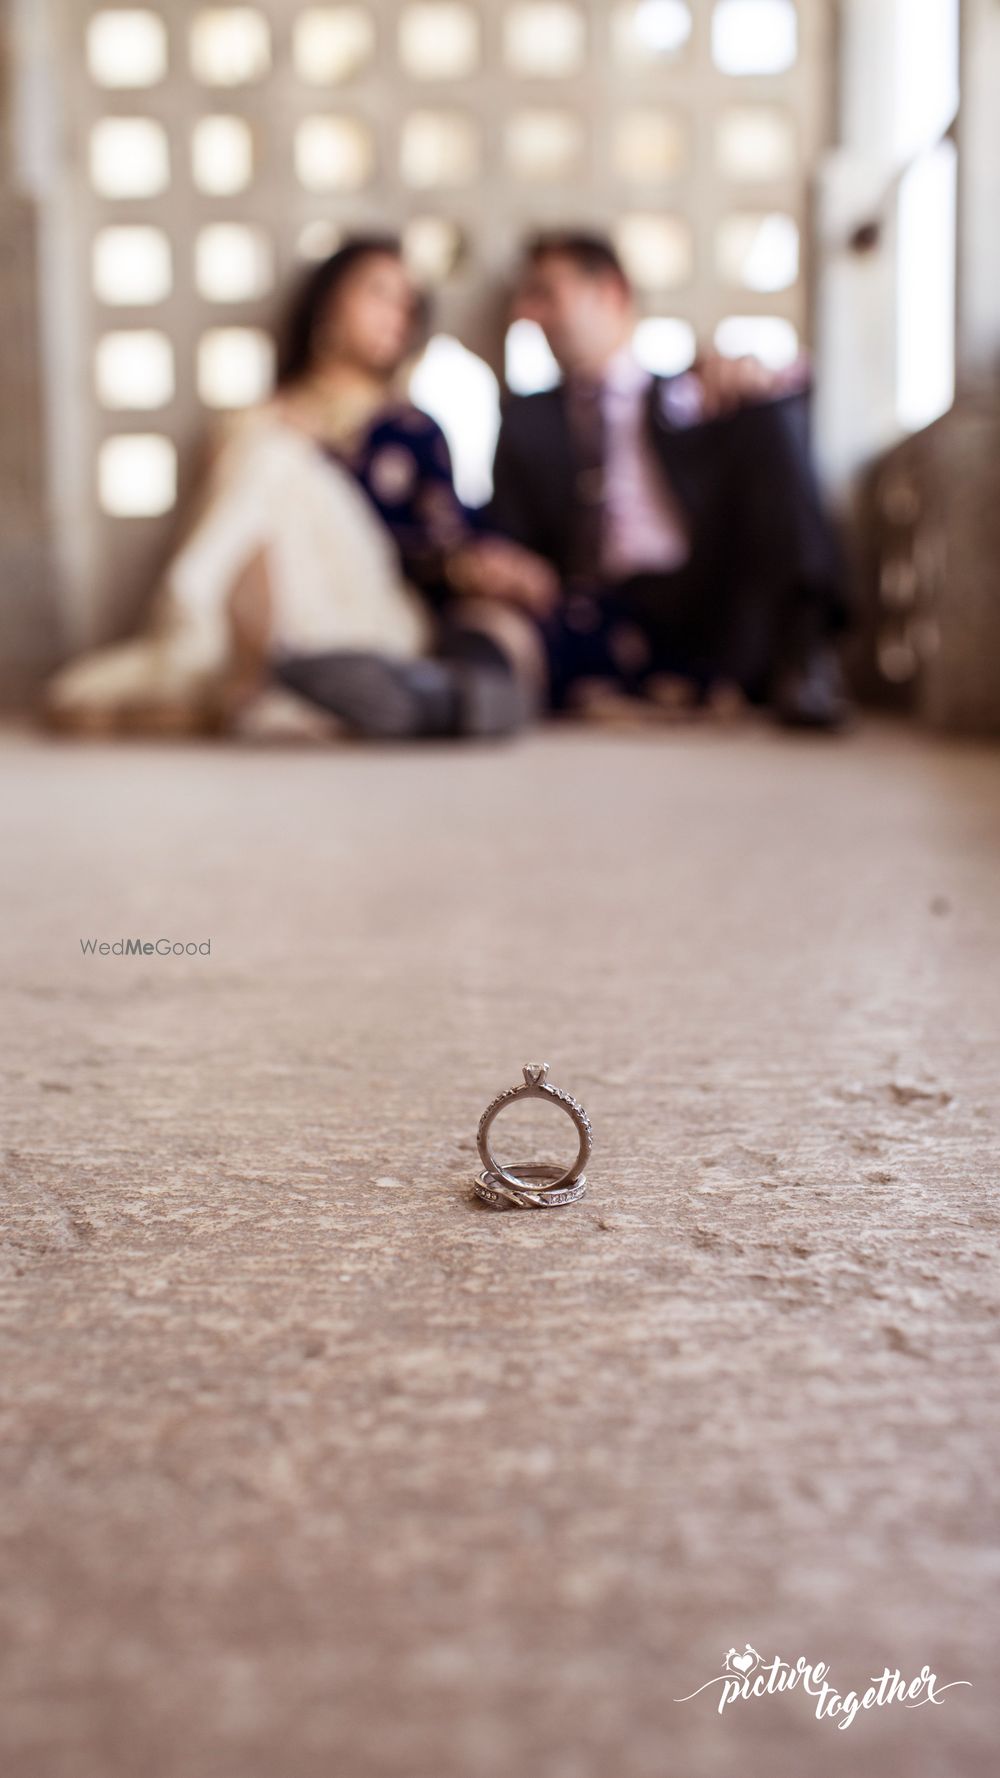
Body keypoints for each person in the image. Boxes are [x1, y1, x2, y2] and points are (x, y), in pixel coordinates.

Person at [46, 238, 549, 741]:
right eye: (378, 293)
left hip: (370, 616)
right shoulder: (261, 420)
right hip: (259, 611)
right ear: (328, 302)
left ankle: (204, 639)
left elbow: (439, 540)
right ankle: (257, 679)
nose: (396, 313)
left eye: (406, 302)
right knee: (74, 695)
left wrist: (478, 567)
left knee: (273, 457)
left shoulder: (410, 428)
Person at [488, 231, 852, 728]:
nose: (529, 315)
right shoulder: (525, 419)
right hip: (595, 604)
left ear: (611, 293)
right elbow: (507, 531)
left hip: (699, 594)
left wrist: (760, 383)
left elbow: (772, 474)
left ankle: (807, 651)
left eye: (547, 294)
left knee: (768, 414)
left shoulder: (696, 393)